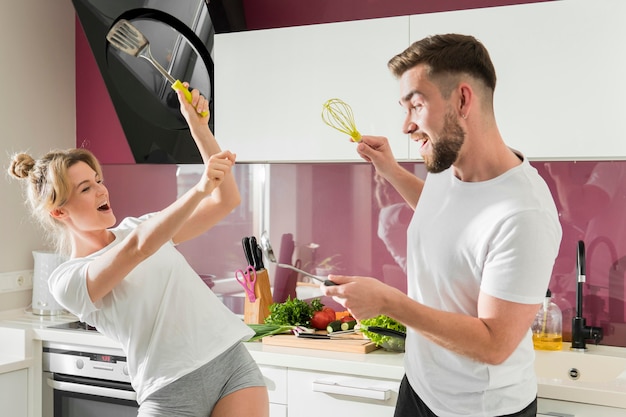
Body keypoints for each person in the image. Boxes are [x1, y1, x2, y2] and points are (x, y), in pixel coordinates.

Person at [322, 34, 562, 417]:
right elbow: (449, 219)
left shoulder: (523, 213)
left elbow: (494, 344)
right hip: (419, 387)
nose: (405, 126)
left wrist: (388, 302)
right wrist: (391, 171)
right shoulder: (448, 165)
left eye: (416, 105)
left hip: (478, 409)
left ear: (463, 100)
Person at [8, 84, 269, 417]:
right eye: (86, 188)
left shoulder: (137, 226)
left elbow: (226, 201)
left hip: (231, 365)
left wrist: (199, 129)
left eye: (98, 180)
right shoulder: (66, 279)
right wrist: (200, 186)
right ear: (59, 212)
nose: (102, 190)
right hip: (169, 389)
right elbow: (137, 249)